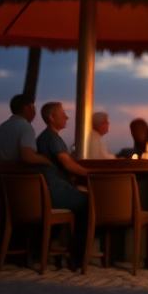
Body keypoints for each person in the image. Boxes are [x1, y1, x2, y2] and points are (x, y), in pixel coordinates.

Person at [35, 101, 89, 267]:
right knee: (89, 203)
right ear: (52, 118)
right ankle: (79, 259)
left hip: (49, 191)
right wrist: (93, 175)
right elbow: (68, 164)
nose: (66, 116)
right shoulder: (52, 138)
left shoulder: (44, 137)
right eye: (63, 113)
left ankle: (59, 247)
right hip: (55, 192)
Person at [0, 94, 50, 167]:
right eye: (33, 107)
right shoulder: (25, 127)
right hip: (19, 175)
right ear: (27, 108)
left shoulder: (2, 127)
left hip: (2, 175)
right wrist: (45, 160)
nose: (34, 111)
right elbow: (28, 157)